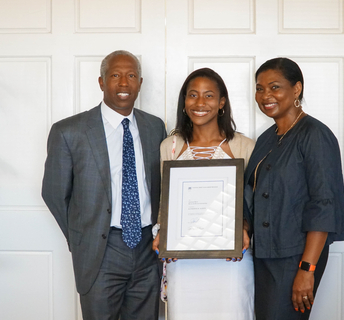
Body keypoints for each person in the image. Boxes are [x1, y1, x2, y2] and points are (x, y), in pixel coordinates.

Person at [42, 50, 167, 320]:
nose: (124, 83)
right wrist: (84, 235)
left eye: (131, 75)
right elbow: (54, 194)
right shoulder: (69, 131)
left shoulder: (155, 127)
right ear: (101, 82)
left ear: (140, 83)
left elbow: (161, 186)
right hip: (101, 252)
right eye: (115, 75)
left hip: (147, 249)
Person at [243, 57, 344, 320]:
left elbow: (324, 205)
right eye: (259, 88)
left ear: (296, 89)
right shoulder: (267, 138)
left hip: (296, 257)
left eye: (274, 87)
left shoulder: (315, 134)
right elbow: (252, 194)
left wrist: (307, 269)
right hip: (265, 254)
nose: (265, 95)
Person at [152, 68, 255, 320]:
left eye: (209, 96)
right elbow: (166, 202)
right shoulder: (170, 146)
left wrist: (244, 228)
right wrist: (164, 234)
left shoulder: (245, 146)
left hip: (232, 261)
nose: (200, 103)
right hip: (183, 261)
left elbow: (256, 203)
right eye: (192, 95)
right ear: (184, 101)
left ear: (221, 103)